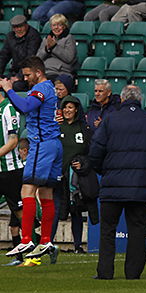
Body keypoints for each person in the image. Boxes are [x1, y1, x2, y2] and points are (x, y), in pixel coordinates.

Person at [89, 85, 146, 280]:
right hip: (140, 186)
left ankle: (105, 272)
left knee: (108, 230)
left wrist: (105, 172)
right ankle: (133, 273)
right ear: (140, 100)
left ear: (122, 99)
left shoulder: (109, 120)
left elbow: (95, 153)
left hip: (111, 186)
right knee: (137, 229)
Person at [2, 56, 62, 261]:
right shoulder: (50, 88)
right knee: (46, 193)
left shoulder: (42, 88)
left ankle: (26, 238)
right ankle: (46, 241)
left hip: (42, 145)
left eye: (28, 74)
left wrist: (8, 89)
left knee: (27, 188)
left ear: (38, 72)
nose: (25, 78)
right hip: (54, 144)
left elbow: (26, 106)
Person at [56, 95, 92, 254]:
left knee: (76, 210)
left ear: (76, 109)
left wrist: (83, 163)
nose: (67, 110)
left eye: (70, 107)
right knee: (56, 209)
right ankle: (47, 243)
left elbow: (91, 153)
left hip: (76, 178)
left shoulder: (84, 128)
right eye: (65, 107)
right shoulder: (57, 127)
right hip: (58, 175)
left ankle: (77, 245)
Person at [0, 91, 25, 266]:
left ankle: (31, 250)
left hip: (10, 170)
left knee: (20, 213)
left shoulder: (8, 108)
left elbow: (13, 140)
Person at [0, 15, 41, 92]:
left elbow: (30, 59)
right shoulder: (10, 37)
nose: (18, 29)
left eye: (20, 27)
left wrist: (19, 77)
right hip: (14, 72)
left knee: (16, 86)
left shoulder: (34, 36)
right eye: (15, 27)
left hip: (29, 74)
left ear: (26, 25)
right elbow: (3, 56)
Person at [36, 14, 77, 81]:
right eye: (54, 25)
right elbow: (38, 58)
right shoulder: (47, 39)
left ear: (64, 26)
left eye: (59, 25)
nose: (56, 27)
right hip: (45, 71)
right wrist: (47, 49)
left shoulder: (69, 38)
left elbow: (69, 58)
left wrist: (54, 47)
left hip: (61, 72)